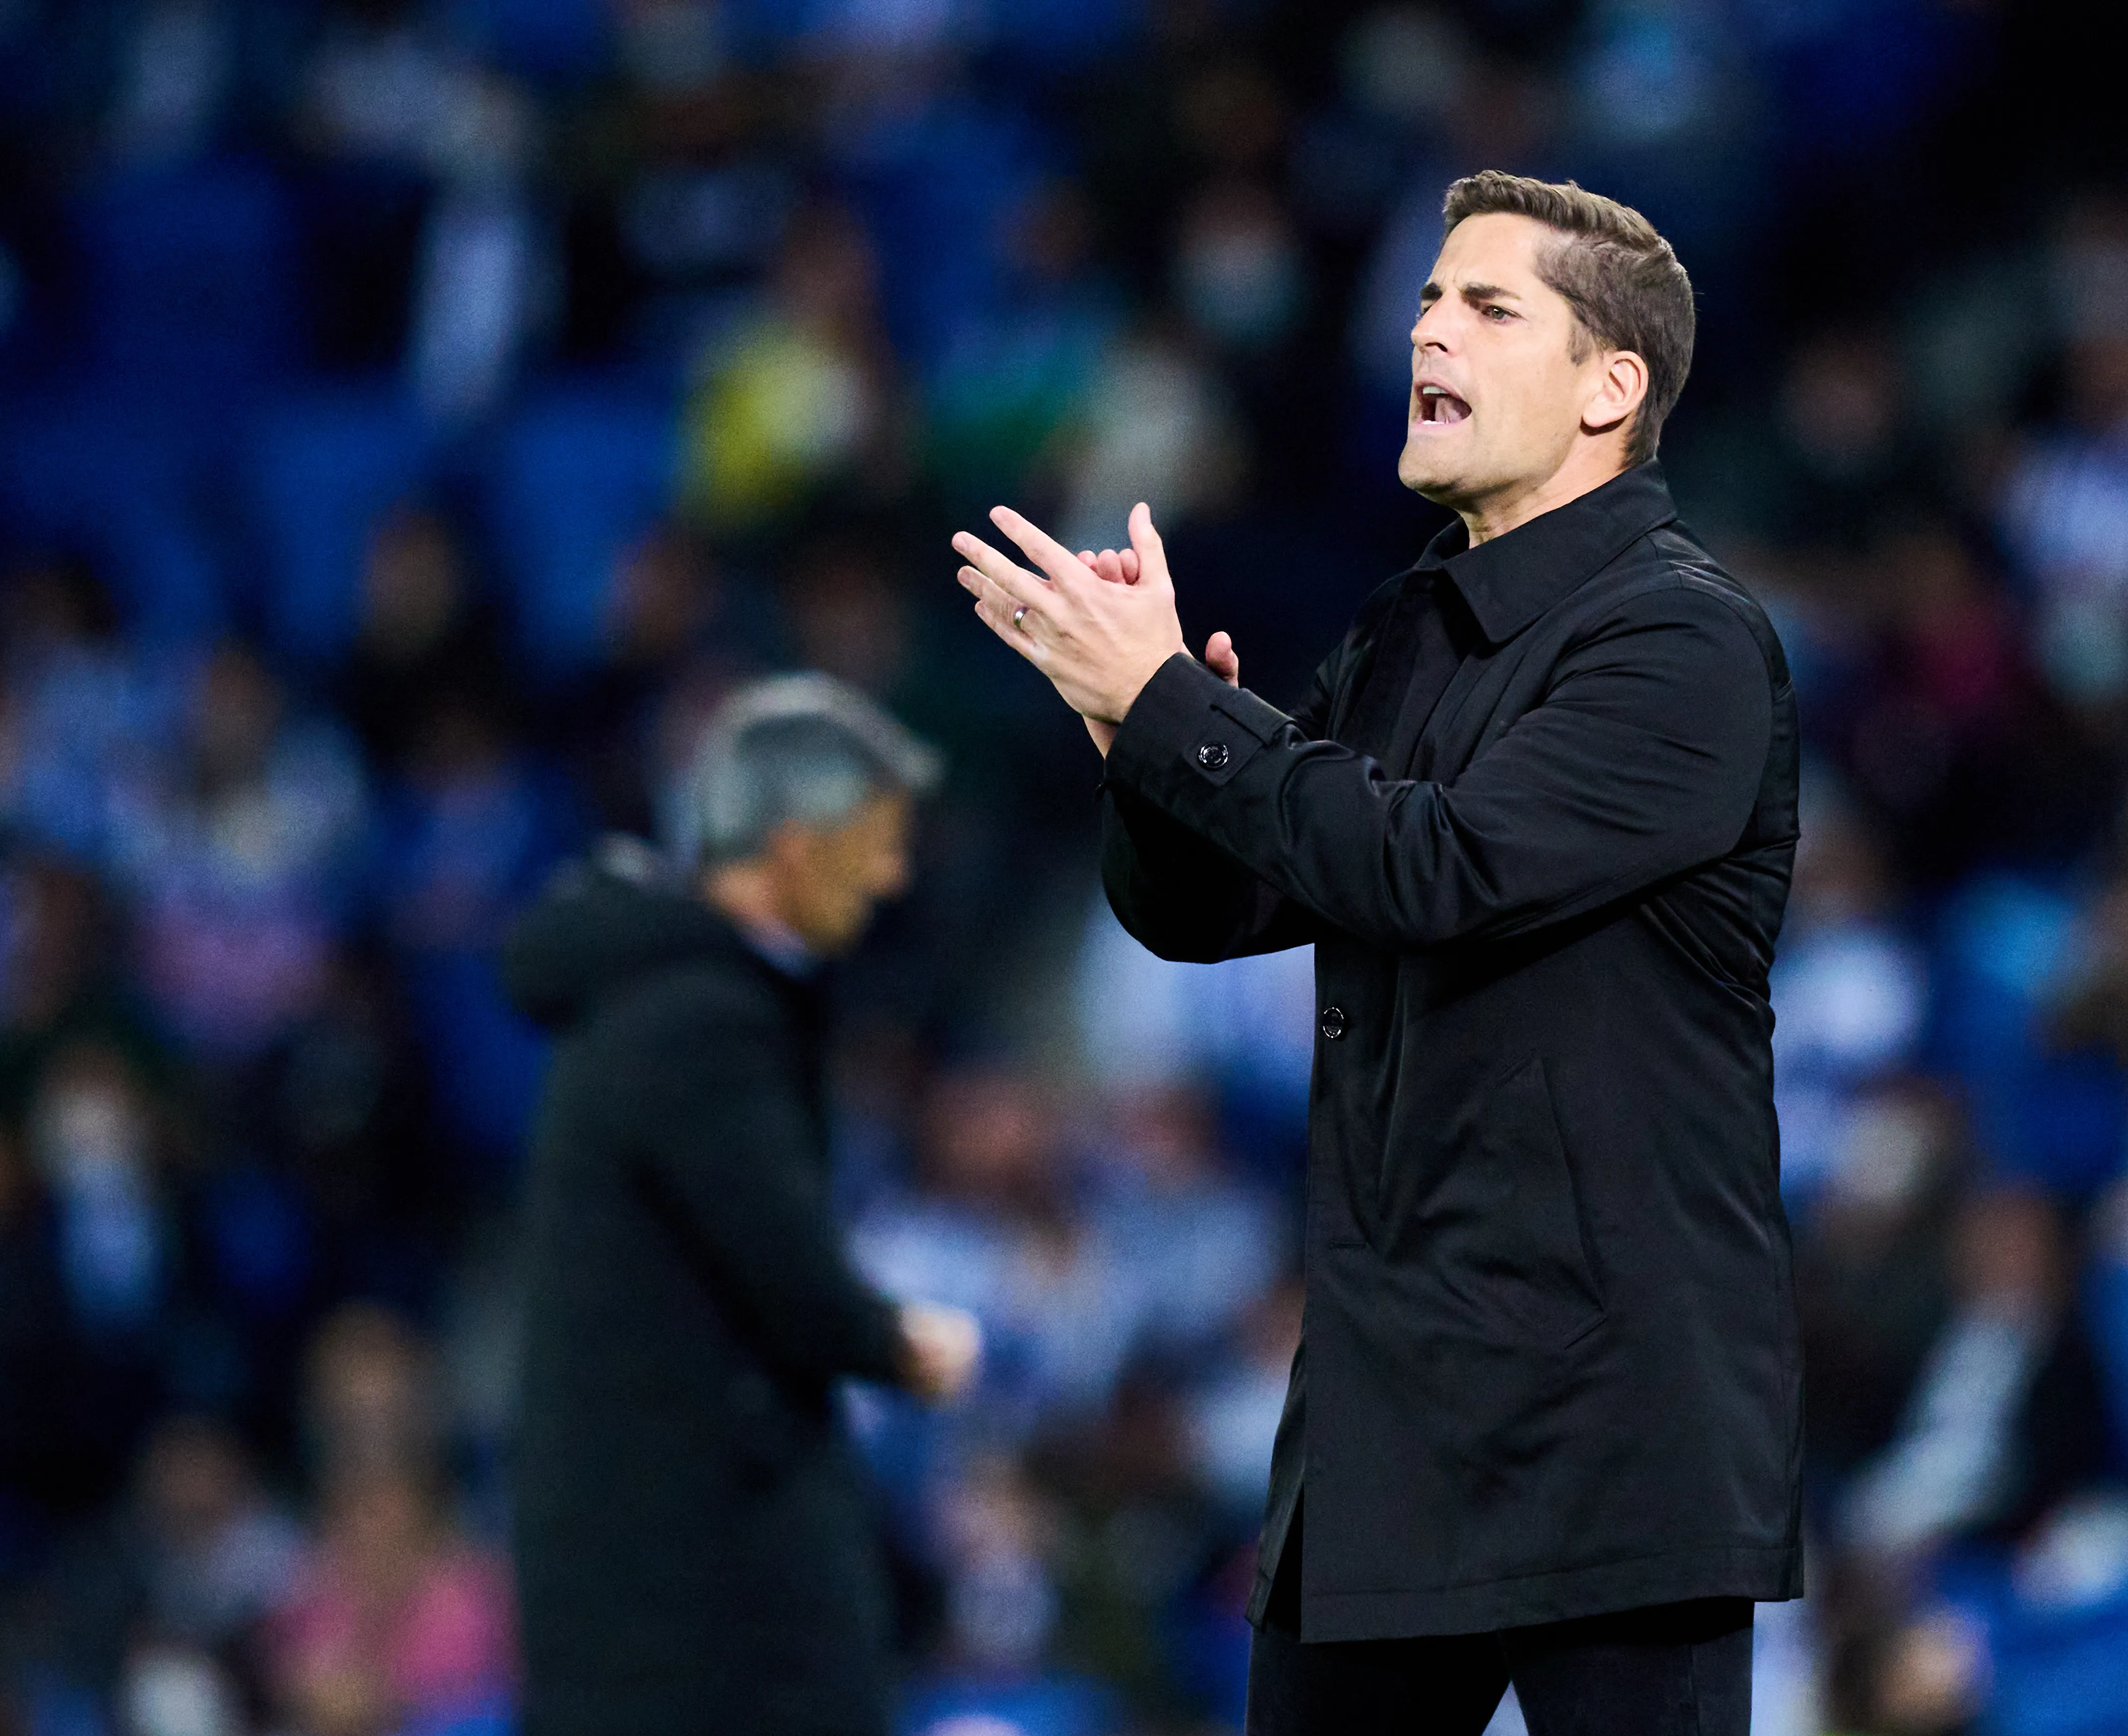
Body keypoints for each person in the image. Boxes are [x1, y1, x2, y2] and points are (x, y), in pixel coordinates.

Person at [953, 171, 1801, 1735]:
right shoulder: (1411, 629)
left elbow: (1439, 870)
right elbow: (1212, 912)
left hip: (1612, 1421)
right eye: (1425, 297)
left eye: (1488, 305)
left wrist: (1180, 719)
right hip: (1386, 1411)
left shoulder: (1682, 641)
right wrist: (1132, 739)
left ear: (1612, 386)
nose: (1428, 326)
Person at [500, 673, 984, 1736]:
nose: (893, 874)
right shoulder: (701, 1022)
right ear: (798, 844)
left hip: (644, 1554)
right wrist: (899, 1341)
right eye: (876, 841)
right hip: (695, 1570)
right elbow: (781, 1258)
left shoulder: (655, 997)